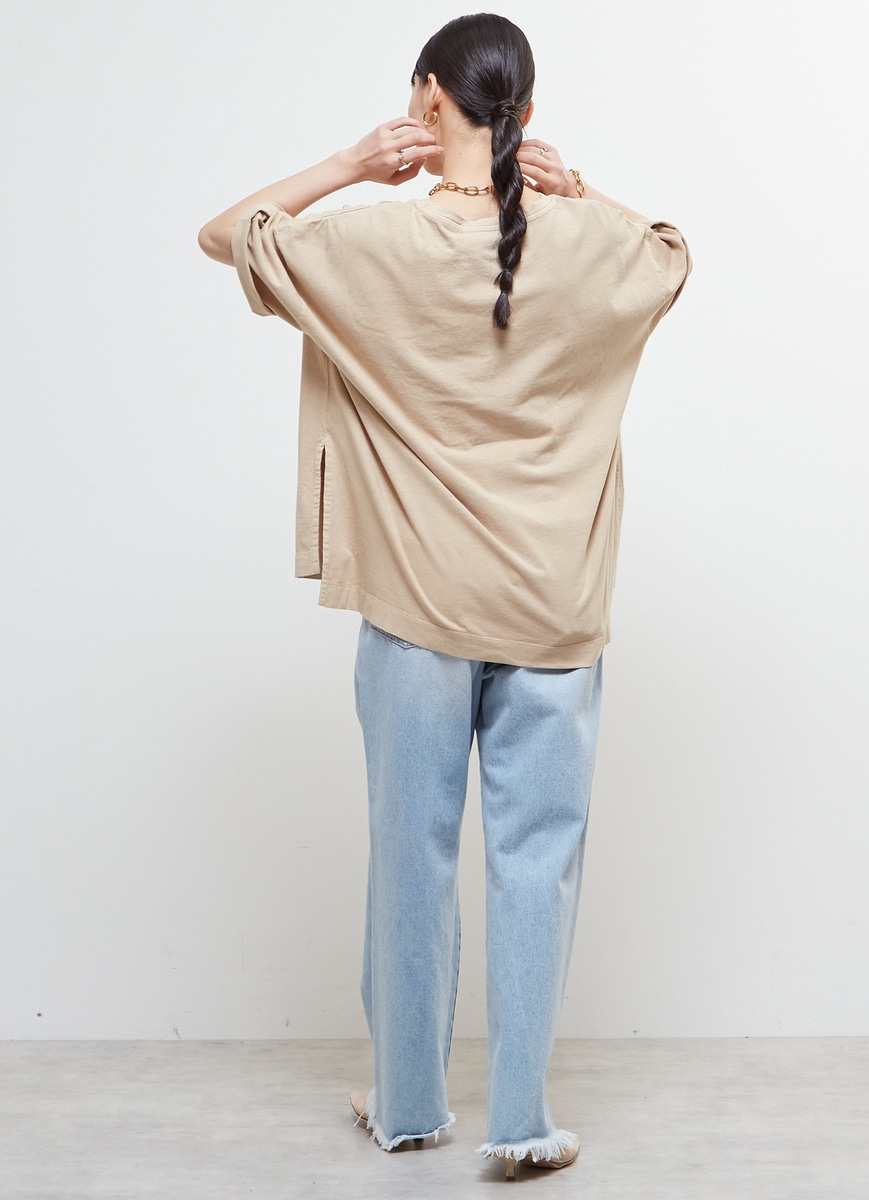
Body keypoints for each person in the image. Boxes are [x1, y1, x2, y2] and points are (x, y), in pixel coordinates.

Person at [198, 12, 690, 1180]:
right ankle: (522, 1122)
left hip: (418, 609)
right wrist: (577, 187)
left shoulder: (370, 244)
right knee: (538, 862)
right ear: (527, 111)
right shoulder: (589, 244)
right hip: (555, 611)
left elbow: (226, 232)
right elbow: (672, 255)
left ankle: (411, 1106)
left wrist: (350, 164)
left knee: (409, 855)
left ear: (428, 100)